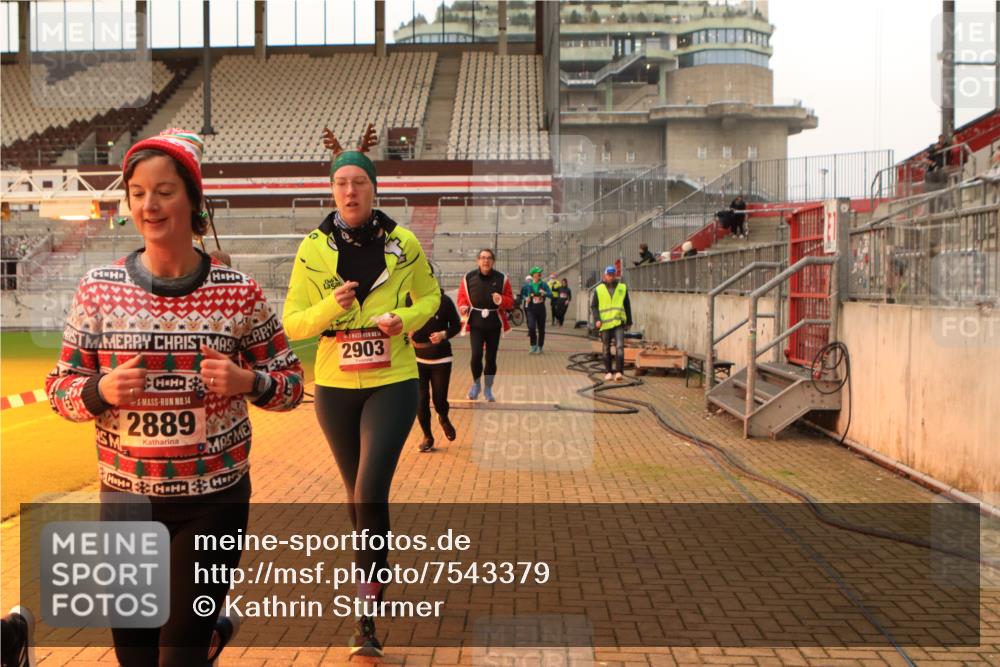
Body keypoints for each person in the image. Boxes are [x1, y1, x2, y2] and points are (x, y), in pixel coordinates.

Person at [45, 129, 305, 666]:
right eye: (137, 192)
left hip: (213, 503)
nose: (149, 204)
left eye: (164, 191)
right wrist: (99, 391)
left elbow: (293, 386)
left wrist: (248, 383)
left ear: (192, 198)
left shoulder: (238, 292)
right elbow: (59, 389)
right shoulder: (98, 290)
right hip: (125, 505)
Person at [282, 125, 439, 657]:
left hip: (393, 380)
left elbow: (433, 299)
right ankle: (374, 575)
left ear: (374, 189)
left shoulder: (405, 243)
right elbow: (295, 323)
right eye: (341, 183)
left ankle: (365, 618)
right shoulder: (311, 250)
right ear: (332, 191)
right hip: (333, 386)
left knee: (369, 491)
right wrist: (334, 308)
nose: (350, 191)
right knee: (357, 501)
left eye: (359, 183)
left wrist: (406, 318)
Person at [409, 275, 461, 452]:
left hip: (441, 358)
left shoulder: (444, 301)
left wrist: (443, 335)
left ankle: (443, 417)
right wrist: (405, 331)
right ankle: (427, 436)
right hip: (416, 359)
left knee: (439, 400)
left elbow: (456, 325)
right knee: (420, 400)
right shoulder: (408, 300)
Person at [456, 248, 515, 402]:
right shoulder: (468, 278)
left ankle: (488, 388)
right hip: (476, 322)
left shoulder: (502, 278)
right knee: (476, 355)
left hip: (494, 323)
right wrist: (463, 306)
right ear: (478, 260)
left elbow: (510, 302)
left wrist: (501, 300)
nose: (485, 261)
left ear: (493, 261)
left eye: (489, 258)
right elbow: (462, 297)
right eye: (482, 258)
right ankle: (476, 385)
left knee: (491, 358)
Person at [591, 265, 633, 382]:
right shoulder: (599, 290)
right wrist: (597, 319)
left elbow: (627, 305)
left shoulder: (622, 288)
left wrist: (629, 321)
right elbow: (594, 306)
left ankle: (619, 372)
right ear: (605, 276)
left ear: (615, 275)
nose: (611, 277)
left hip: (618, 322)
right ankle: (608, 371)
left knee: (619, 347)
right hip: (604, 324)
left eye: (613, 274)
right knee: (605, 349)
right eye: (609, 275)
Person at [521, 266, 553, 354]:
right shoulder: (528, 286)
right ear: (533, 274)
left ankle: (540, 346)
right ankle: (533, 346)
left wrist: (545, 293)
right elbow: (522, 295)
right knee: (531, 327)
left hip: (541, 309)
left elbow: (551, 295)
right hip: (531, 309)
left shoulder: (543, 284)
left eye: (540, 273)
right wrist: (526, 298)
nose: (540, 274)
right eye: (538, 272)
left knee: (541, 329)